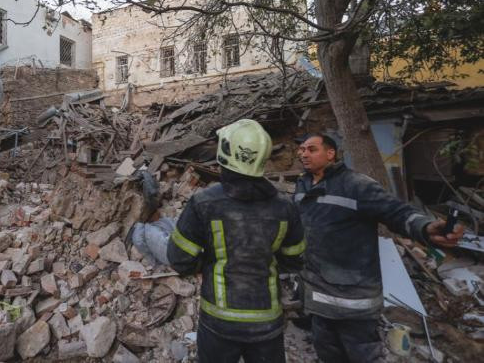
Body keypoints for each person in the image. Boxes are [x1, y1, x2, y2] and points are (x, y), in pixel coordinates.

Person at [295, 133, 464, 363]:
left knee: (362, 355)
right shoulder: (303, 184)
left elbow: (396, 212)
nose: (303, 154)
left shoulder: (356, 185)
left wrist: (425, 227)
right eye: (302, 149)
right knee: (327, 353)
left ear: (330, 153)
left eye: (311, 149)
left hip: (354, 300)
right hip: (318, 297)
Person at [167, 119, 305, 363]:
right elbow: (294, 260)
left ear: (226, 152)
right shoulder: (286, 206)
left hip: (219, 323)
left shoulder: (203, 203)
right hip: (267, 323)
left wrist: (206, 264)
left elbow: (179, 259)